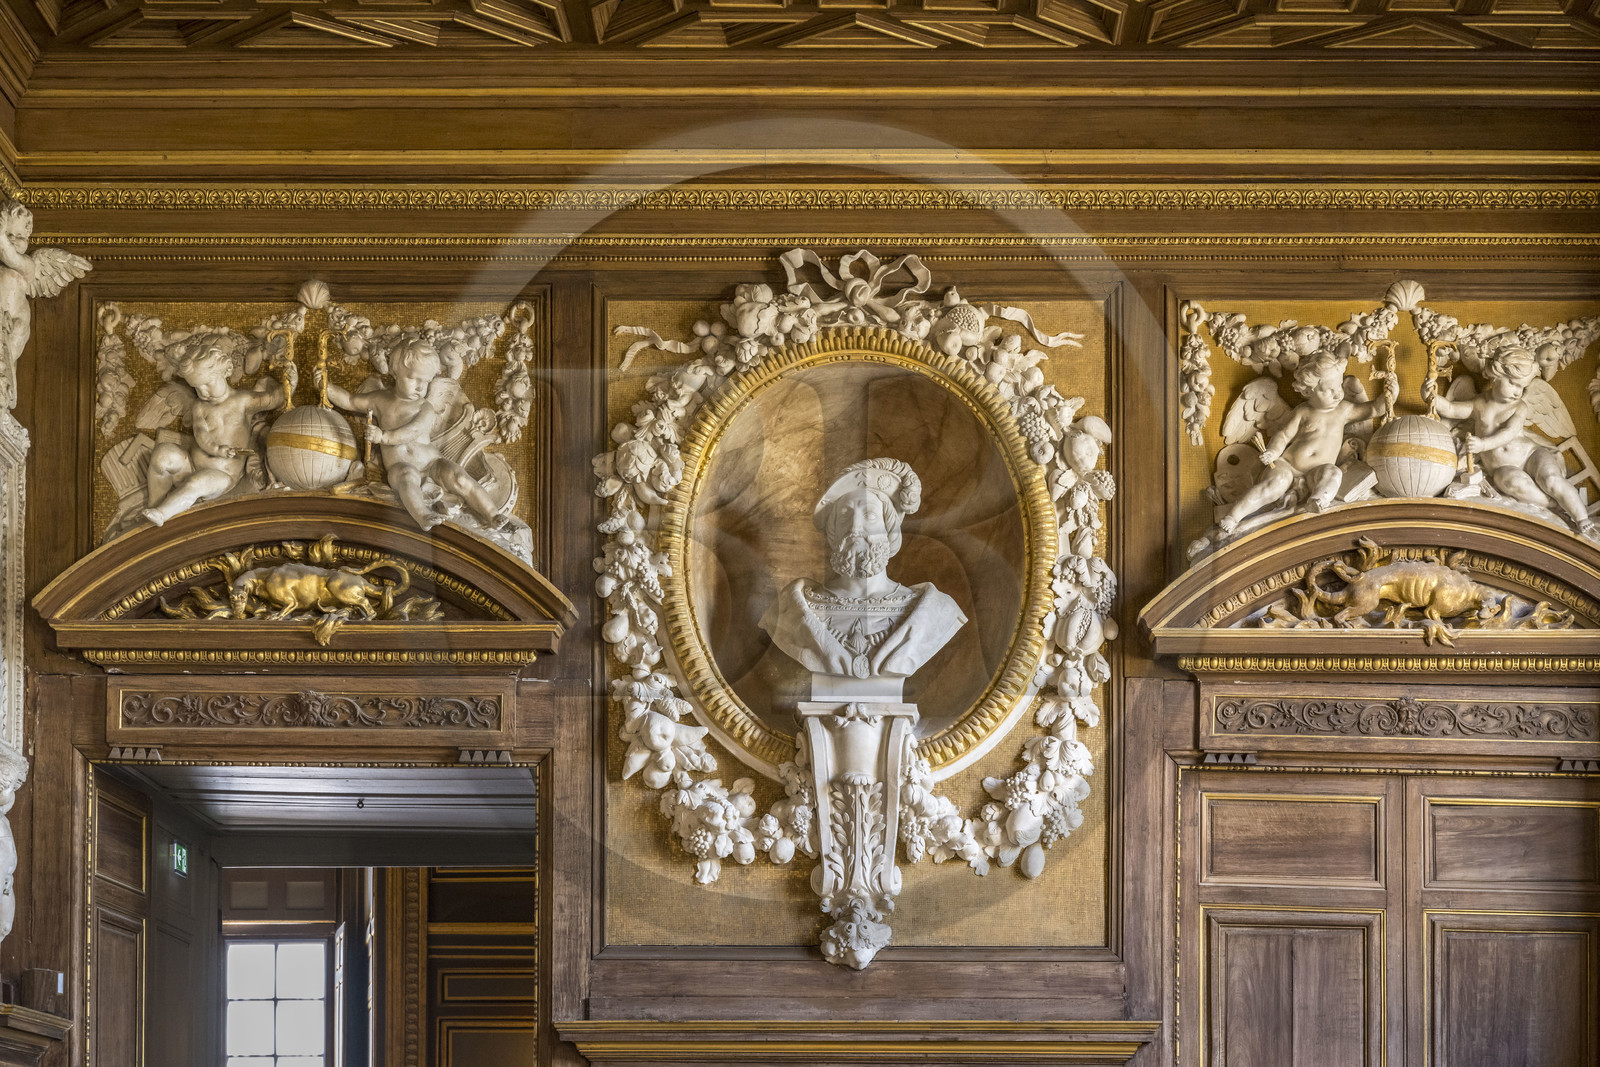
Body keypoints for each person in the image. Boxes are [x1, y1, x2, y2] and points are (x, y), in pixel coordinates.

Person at [760, 458, 966, 687]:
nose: (855, 527)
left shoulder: (933, 611)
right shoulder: (793, 608)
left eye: (869, 516)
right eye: (846, 515)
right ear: (832, 531)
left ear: (889, 530)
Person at [318, 338, 505, 532]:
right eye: (413, 378)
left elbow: (414, 429)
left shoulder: (424, 406)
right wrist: (325, 386)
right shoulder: (380, 400)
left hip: (432, 463)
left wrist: (384, 437)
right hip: (400, 465)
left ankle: (492, 514)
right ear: (396, 372)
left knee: (459, 477)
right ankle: (423, 515)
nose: (419, 387)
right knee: (406, 479)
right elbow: (350, 400)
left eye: (424, 382)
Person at [1217, 350, 1389, 536]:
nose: (1337, 394)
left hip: (1315, 472)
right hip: (1288, 466)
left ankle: (1317, 500)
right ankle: (1234, 516)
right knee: (1275, 484)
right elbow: (1283, 435)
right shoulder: (1302, 412)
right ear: (1308, 391)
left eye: (1338, 386)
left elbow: (1374, 409)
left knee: (1333, 472)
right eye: (1329, 390)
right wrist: (1274, 452)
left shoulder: (1344, 410)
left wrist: (1389, 395)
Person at [1432, 345, 1598, 538]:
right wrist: (1431, 396)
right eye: (1513, 383)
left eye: (1522, 387)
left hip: (1530, 455)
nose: (1517, 392)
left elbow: (1509, 432)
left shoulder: (1519, 407)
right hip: (1502, 467)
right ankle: (1553, 504)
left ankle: (1582, 519)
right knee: (1508, 481)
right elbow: (1451, 409)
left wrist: (1483, 445)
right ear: (1495, 375)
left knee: (1551, 479)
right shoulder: (1478, 404)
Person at [142, 343, 289, 526]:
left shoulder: (243, 401)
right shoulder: (200, 406)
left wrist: (291, 380)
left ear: (224, 371)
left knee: (198, 481)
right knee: (162, 453)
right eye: (197, 387)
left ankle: (162, 514)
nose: (203, 392)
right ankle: (154, 505)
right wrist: (217, 449)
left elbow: (274, 399)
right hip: (191, 465)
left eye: (207, 384)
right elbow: (201, 434)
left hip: (222, 477)